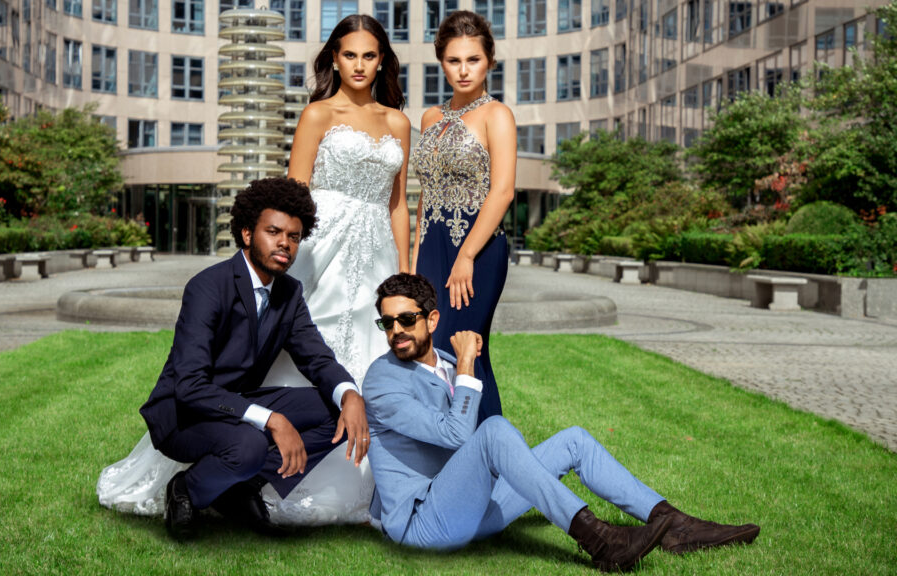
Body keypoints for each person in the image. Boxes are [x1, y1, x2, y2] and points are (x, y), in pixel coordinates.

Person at [97, 14, 408, 527]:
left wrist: (403, 269)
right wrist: (292, 247)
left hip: (375, 250)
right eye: (349, 54)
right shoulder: (315, 115)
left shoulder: (398, 122)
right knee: (296, 348)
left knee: (354, 369)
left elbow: (397, 205)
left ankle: (299, 481)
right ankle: (225, 472)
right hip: (321, 246)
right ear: (334, 57)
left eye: (369, 55)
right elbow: (293, 198)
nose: (358, 65)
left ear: (381, 61)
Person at [363, 273, 761, 572]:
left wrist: (460, 366)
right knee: (495, 430)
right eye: (388, 323)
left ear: (432, 320)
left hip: (471, 510)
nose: (396, 330)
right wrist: (468, 364)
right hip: (422, 524)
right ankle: (602, 543)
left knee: (574, 440)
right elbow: (457, 434)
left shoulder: (446, 365)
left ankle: (675, 525)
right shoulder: (382, 379)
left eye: (406, 319)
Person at [135, 177, 369, 540]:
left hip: (238, 403)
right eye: (273, 232)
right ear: (247, 234)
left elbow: (317, 357)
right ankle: (187, 490)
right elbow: (190, 386)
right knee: (250, 445)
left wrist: (350, 394)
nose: (284, 244)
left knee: (340, 412)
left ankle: (240, 486)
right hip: (184, 412)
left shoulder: (289, 293)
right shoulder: (208, 286)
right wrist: (272, 419)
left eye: (293, 237)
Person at [411, 11, 513, 423]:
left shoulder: (497, 115)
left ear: (489, 60)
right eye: (454, 61)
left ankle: (494, 455)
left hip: (477, 249)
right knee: (432, 352)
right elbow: (424, 194)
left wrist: (467, 256)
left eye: (473, 59)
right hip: (433, 248)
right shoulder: (429, 119)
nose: (463, 70)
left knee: (464, 348)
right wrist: (416, 259)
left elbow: (503, 191)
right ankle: (461, 459)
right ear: (442, 63)